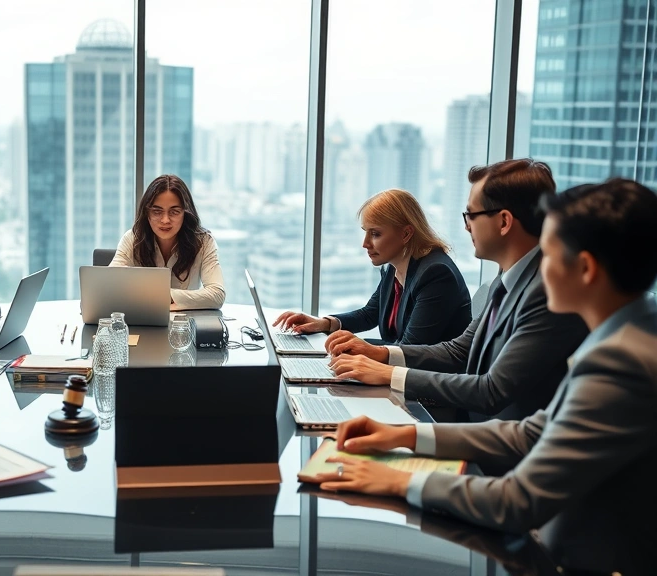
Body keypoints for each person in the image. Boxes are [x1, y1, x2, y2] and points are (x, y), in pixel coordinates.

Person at [309, 178, 657, 575]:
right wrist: (404, 435)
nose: (540, 265)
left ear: (585, 268)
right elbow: (531, 431)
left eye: (551, 251)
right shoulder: (624, 336)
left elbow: (517, 499)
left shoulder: (620, 361)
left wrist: (397, 481)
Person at [324, 159, 588, 422]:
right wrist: (379, 353)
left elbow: (491, 391)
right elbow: (458, 350)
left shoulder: (546, 292)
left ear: (504, 222)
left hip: (496, 445)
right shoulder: (505, 279)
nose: (466, 225)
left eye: (471, 215)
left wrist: (387, 373)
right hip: (477, 429)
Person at [274, 188, 471, 346]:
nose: (365, 243)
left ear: (405, 234)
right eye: (365, 233)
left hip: (428, 386)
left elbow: (412, 349)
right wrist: (324, 324)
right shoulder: (394, 266)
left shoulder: (436, 273)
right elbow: (370, 314)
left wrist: (357, 347)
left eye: (375, 234)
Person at [110, 174, 225, 310]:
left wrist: (162, 295)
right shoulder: (133, 238)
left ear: (185, 213)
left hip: (184, 326)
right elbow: (109, 286)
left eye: (174, 212)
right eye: (157, 212)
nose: (165, 220)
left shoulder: (204, 241)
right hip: (141, 324)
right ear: (147, 213)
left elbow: (217, 295)